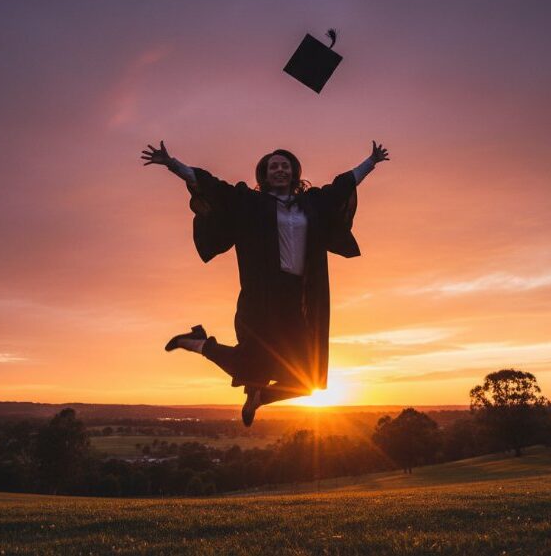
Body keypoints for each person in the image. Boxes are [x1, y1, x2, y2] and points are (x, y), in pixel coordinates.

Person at [142, 141, 389, 425]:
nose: (280, 170)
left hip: (299, 297)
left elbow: (342, 186)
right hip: (262, 295)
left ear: (295, 172)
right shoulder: (251, 203)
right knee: (250, 362)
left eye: (285, 166)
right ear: (265, 174)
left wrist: (371, 162)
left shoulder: (311, 204)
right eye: (274, 166)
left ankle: (258, 396)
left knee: (307, 379)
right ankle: (199, 344)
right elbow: (212, 186)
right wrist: (173, 164)